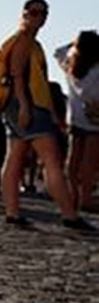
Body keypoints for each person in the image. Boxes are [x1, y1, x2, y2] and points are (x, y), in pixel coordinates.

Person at [0, 0, 92, 230]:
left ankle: (12, 212)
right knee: (51, 160)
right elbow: (17, 74)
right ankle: (69, 214)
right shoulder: (24, 40)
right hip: (28, 105)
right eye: (34, 12)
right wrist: (26, 106)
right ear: (25, 13)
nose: (39, 17)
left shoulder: (26, 41)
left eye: (43, 12)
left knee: (15, 157)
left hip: (21, 105)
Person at [54, 30, 99, 213]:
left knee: (72, 160)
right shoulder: (97, 68)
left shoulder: (69, 63)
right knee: (89, 162)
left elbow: (58, 50)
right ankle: (86, 198)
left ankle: (73, 195)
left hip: (74, 117)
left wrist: (74, 43)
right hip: (95, 119)